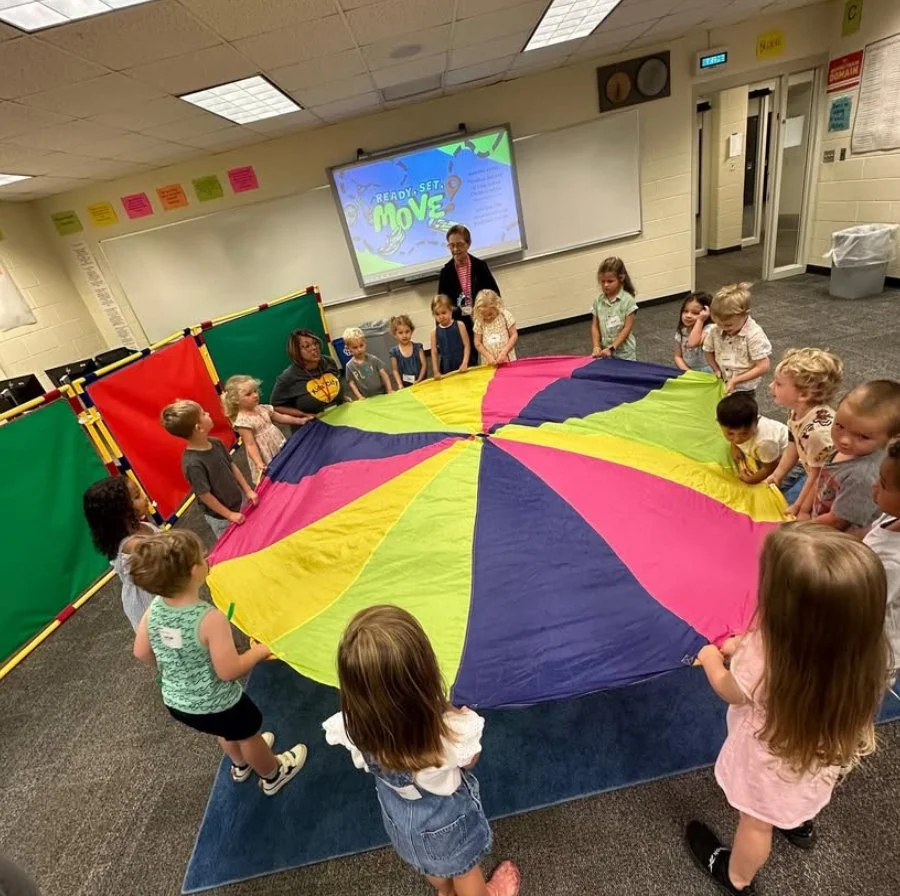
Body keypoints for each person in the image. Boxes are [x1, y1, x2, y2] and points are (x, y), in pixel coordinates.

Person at [688, 523, 890, 896]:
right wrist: (744, 645)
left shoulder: (764, 659)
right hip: (817, 756)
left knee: (756, 823)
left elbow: (731, 690)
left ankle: (737, 879)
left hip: (768, 761)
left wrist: (712, 659)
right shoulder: (861, 661)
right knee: (797, 794)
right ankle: (797, 823)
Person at [323, 606, 521, 896]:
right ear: (424, 674)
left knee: (432, 866)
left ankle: (445, 892)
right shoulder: (448, 731)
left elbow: (361, 758)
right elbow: (470, 759)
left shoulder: (351, 726)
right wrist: (454, 713)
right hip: (447, 825)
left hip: (402, 824)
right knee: (466, 870)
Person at [131, 530, 306, 796]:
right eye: (202, 557)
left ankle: (240, 764)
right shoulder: (209, 618)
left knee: (224, 731)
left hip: (178, 703)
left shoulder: (154, 607)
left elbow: (141, 652)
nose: (207, 559)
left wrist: (178, 665)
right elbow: (229, 671)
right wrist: (260, 651)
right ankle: (273, 773)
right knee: (249, 735)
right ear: (194, 571)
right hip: (220, 703)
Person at [161, 399, 257, 540]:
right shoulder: (193, 464)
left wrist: (247, 490)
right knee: (237, 542)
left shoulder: (216, 442)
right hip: (222, 518)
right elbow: (205, 495)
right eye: (203, 414)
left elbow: (231, 465)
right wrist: (229, 515)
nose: (208, 413)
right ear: (199, 428)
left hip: (238, 499)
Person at [812, 380, 900, 531]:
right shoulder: (850, 449)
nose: (844, 440)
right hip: (818, 518)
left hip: (832, 536)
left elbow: (837, 522)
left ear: (891, 438)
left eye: (863, 437)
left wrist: (797, 528)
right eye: (839, 426)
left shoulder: (862, 476)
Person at [766, 348, 844, 518]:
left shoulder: (818, 433)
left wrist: (801, 507)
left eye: (778, 384)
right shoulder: (796, 410)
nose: (770, 386)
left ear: (803, 395)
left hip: (829, 482)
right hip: (811, 465)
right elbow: (794, 442)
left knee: (790, 509)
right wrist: (777, 475)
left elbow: (819, 477)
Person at [83, 476, 159, 631]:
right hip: (151, 601)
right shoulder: (132, 546)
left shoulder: (143, 526)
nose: (144, 498)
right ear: (120, 510)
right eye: (136, 497)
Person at [437, 224, 501, 357]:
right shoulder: (446, 272)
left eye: (459, 244)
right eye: (451, 245)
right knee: (467, 360)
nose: (455, 249)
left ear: (468, 244)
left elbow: (495, 295)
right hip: (459, 324)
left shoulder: (480, 266)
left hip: (483, 319)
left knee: (491, 356)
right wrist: (440, 333)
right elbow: (441, 305)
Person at [865, 437, 900, 666]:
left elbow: (861, 606)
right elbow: (872, 532)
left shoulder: (892, 562)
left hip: (877, 653)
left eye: (884, 484)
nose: (874, 484)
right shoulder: (892, 516)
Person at [221, 375, 293, 485]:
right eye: (248, 394)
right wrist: (259, 462)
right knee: (274, 476)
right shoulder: (243, 421)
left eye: (255, 391)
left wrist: (300, 420)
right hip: (265, 452)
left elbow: (282, 417)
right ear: (236, 400)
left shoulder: (263, 408)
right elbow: (250, 444)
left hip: (276, 443)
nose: (255, 395)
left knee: (286, 466)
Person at [702, 283, 772, 393]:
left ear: (745, 314)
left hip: (745, 388)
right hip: (723, 381)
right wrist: (716, 369)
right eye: (719, 324)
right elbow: (707, 350)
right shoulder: (716, 329)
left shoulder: (754, 335)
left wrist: (736, 380)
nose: (724, 328)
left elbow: (763, 366)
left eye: (729, 325)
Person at [271, 329, 344, 426]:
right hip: (311, 425)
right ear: (296, 351)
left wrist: (343, 398)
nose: (314, 348)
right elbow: (276, 406)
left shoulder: (329, 362)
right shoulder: (287, 378)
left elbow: (338, 383)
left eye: (315, 343)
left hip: (339, 417)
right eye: (307, 346)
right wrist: (303, 415)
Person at [716, 392, 788, 485]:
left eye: (744, 433)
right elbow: (736, 439)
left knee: (776, 485)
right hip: (769, 454)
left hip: (792, 460)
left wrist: (752, 480)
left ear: (756, 423)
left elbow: (771, 467)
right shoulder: (741, 425)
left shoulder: (764, 442)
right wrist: (735, 447)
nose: (737, 439)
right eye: (730, 434)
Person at [590, 257, 637, 360]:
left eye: (610, 281)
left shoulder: (628, 301)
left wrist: (612, 347)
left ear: (621, 278)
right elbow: (595, 326)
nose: (605, 285)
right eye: (603, 281)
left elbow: (627, 328)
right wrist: (596, 346)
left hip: (625, 354)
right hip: (605, 353)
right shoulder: (598, 301)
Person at [342, 327, 394, 400]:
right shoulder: (349, 366)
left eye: (361, 345)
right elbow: (352, 383)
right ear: (348, 348)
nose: (359, 349)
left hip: (382, 393)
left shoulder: (373, 359)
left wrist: (389, 389)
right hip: (366, 398)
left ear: (365, 343)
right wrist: (360, 397)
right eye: (355, 347)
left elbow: (384, 374)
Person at [473, 289, 518, 366]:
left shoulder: (505, 315)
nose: (487, 317)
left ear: (497, 306)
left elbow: (514, 335)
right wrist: (488, 356)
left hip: (507, 357)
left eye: (490, 314)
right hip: (489, 361)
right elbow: (477, 342)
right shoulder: (479, 321)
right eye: (484, 314)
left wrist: (504, 352)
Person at [431, 294, 471, 379]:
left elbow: (467, 345)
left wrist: (465, 362)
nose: (441, 316)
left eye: (444, 313)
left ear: (451, 310)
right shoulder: (434, 332)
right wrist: (435, 370)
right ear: (434, 315)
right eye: (437, 314)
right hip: (446, 366)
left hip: (462, 361)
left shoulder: (460, 325)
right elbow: (434, 352)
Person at [674, 291, 714, 372]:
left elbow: (693, 343)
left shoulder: (710, 329)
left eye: (695, 313)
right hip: (688, 370)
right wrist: (687, 371)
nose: (688, 315)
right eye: (685, 311)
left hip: (709, 371)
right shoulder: (682, 332)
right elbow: (677, 356)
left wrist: (700, 320)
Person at [389, 314, 427, 389]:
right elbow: (395, 370)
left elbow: (424, 364)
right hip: (405, 386)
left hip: (421, 382)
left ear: (411, 331)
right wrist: (399, 384)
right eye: (400, 333)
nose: (404, 335)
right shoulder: (394, 352)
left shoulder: (418, 347)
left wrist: (419, 380)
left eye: (407, 332)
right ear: (395, 334)